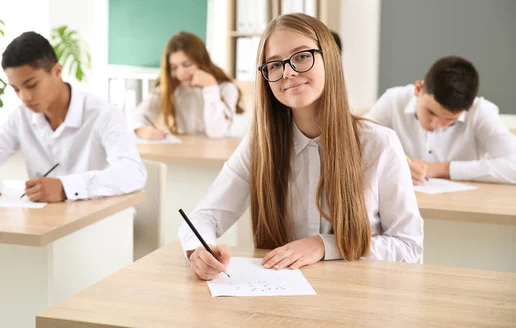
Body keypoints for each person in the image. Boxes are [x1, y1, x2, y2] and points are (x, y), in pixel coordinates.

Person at [178, 14, 423, 281]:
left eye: (302, 56)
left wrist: (323, 245)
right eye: (274, 65)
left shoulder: (379, 143)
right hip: (284, 301)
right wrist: (198, 248)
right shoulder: (261, 144)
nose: (289, 72)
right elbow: (204, 216)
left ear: (329, 58)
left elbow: (409, 246)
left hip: (360, 298)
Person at [0, 31, 146, 203]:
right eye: (16, 89)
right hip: (47, 226)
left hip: (101, 225)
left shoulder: (104, 113)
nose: (24, 97)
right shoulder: (21, 117)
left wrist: (66, 188)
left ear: (57, 72)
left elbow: (132, 173)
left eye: (31, 85)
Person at [366, 56, 516, 185]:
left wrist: (441, 169)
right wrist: (395, 164)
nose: (435, 124)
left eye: (450, 120)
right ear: (418, 88)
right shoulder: (393, 100)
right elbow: (355, 144)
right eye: (430, 112)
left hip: (462, 208)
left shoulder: (479, 112)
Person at [132, 31, 243, 139]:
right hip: (184, 152)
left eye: (186, 65)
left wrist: (210, 86)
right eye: (174, 67)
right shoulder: (170, 88)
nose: (180, 73)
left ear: (201, 61)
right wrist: (142, 129)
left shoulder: (227, 88)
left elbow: (216, 133)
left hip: (216, 154)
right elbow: (138, 116)